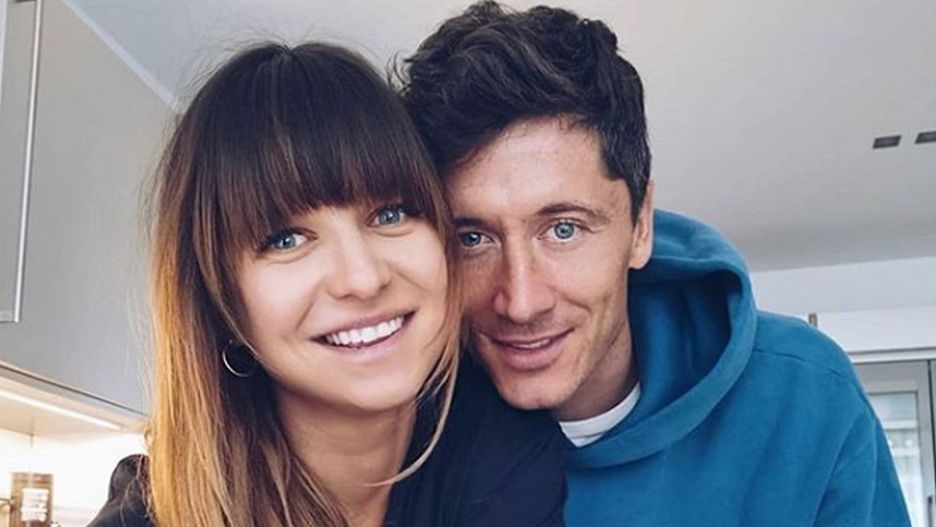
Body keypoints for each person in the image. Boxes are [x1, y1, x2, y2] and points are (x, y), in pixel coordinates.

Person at [400, 2, 911, 525]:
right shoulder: (396, 437)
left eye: (564, 229)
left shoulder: (806, 397)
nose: (521, 302)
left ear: (640, 226)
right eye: (473, 239)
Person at [89, 42, 565, 527]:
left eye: (390, 214)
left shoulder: (503, 449)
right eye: (287, 240)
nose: (364, 278)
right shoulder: (149, 515)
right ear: (219, 302)